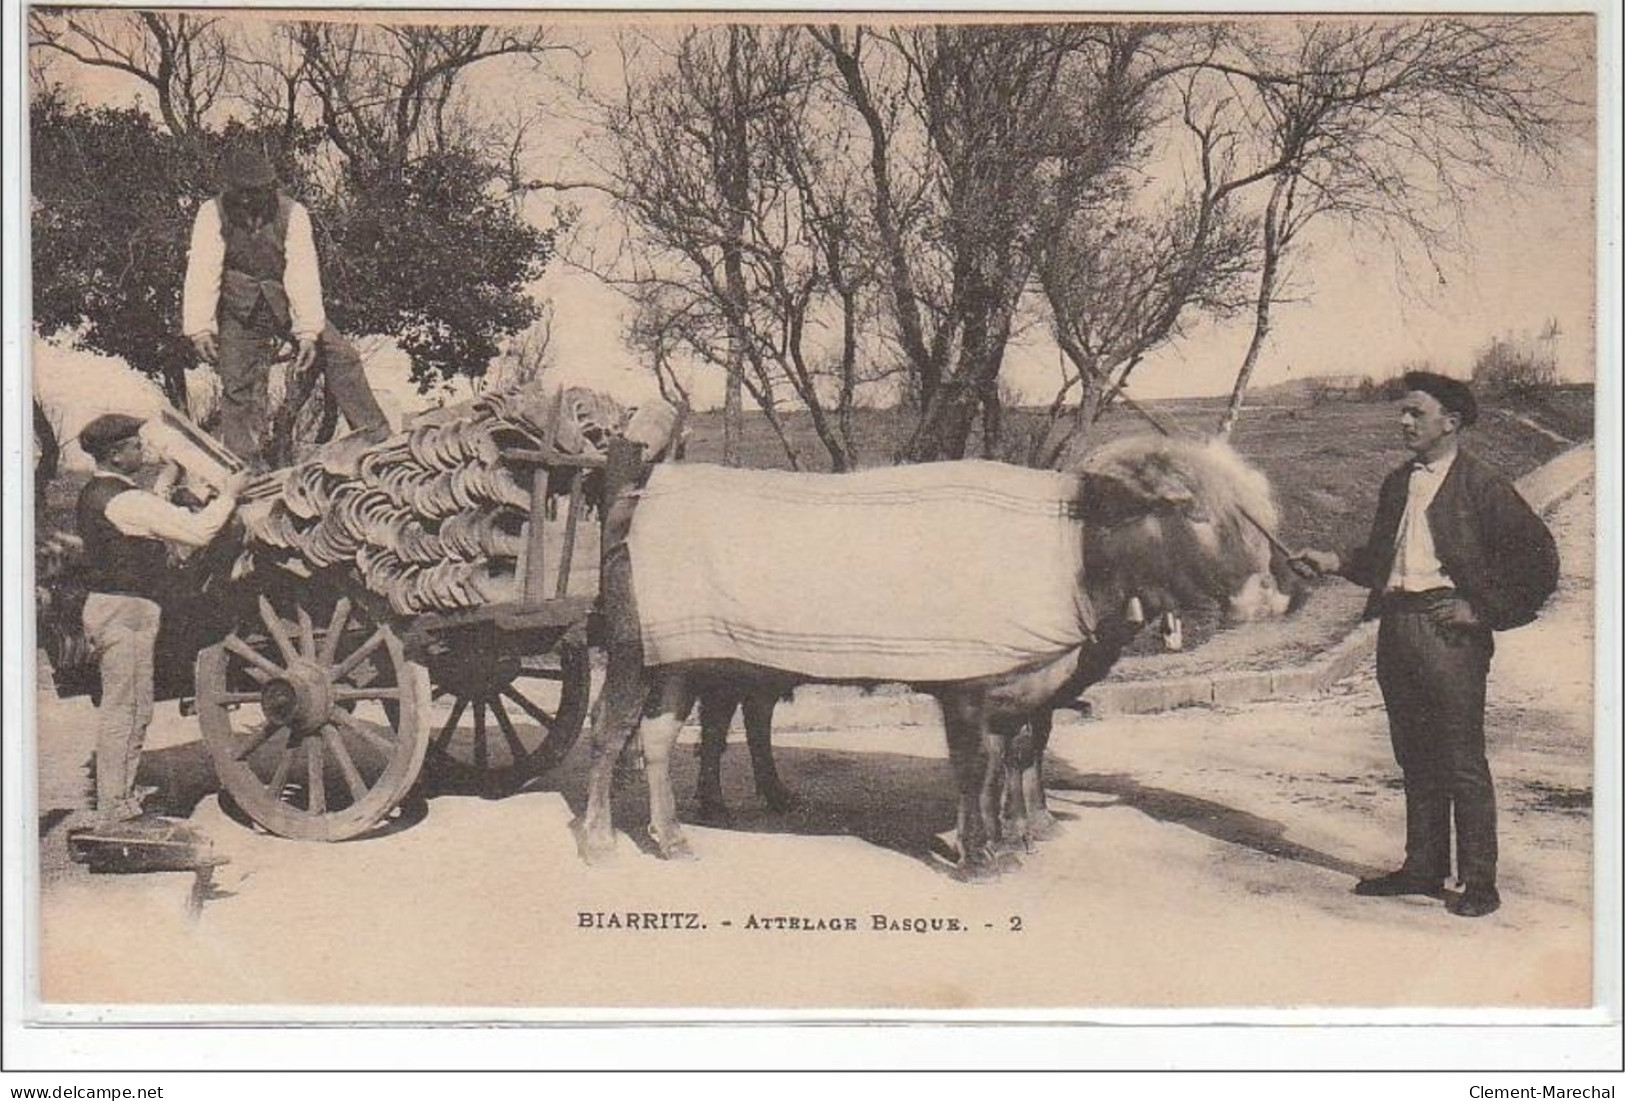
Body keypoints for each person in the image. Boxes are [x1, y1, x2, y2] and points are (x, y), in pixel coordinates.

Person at [1292, 372, 1559, 918]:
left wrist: (1480, 609)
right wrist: (1334, 561)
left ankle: (1479, 882)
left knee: (1462, 759)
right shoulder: (1398, 483)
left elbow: (1539, 562)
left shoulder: (1483, 486)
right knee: (1414, 754)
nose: (1404, 421)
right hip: (1397, 629)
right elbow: (1380, 561)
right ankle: (1423, 867)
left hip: (1448, 634)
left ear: (1450, 423)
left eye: (1416, 413)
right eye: (1403, 412)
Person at [75, 413, 248, 828]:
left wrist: (170, 479)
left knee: (132, 707)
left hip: (119, 608)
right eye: (135, 445)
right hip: (125, 612)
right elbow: (198, 532)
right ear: (117, 454)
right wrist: (230, 494)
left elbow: (146, 511)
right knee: (128, 709)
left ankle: (120, 798)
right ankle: (115, 810)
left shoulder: (109, 493)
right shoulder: (123, 501)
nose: (143, 449)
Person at [182, 145, 389, 470]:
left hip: (284, 300)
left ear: (270, 188)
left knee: (341, 356)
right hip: (239, 306)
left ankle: (379, 442)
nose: (249, 200)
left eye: (257, 192)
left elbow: (302, 272)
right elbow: (203, 269)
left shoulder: (293, 214)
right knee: (237, 383)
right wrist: (200, 327)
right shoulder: (212, 213)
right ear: (231, 190)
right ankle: (243, 467)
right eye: (243, 193)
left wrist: (307, 332)